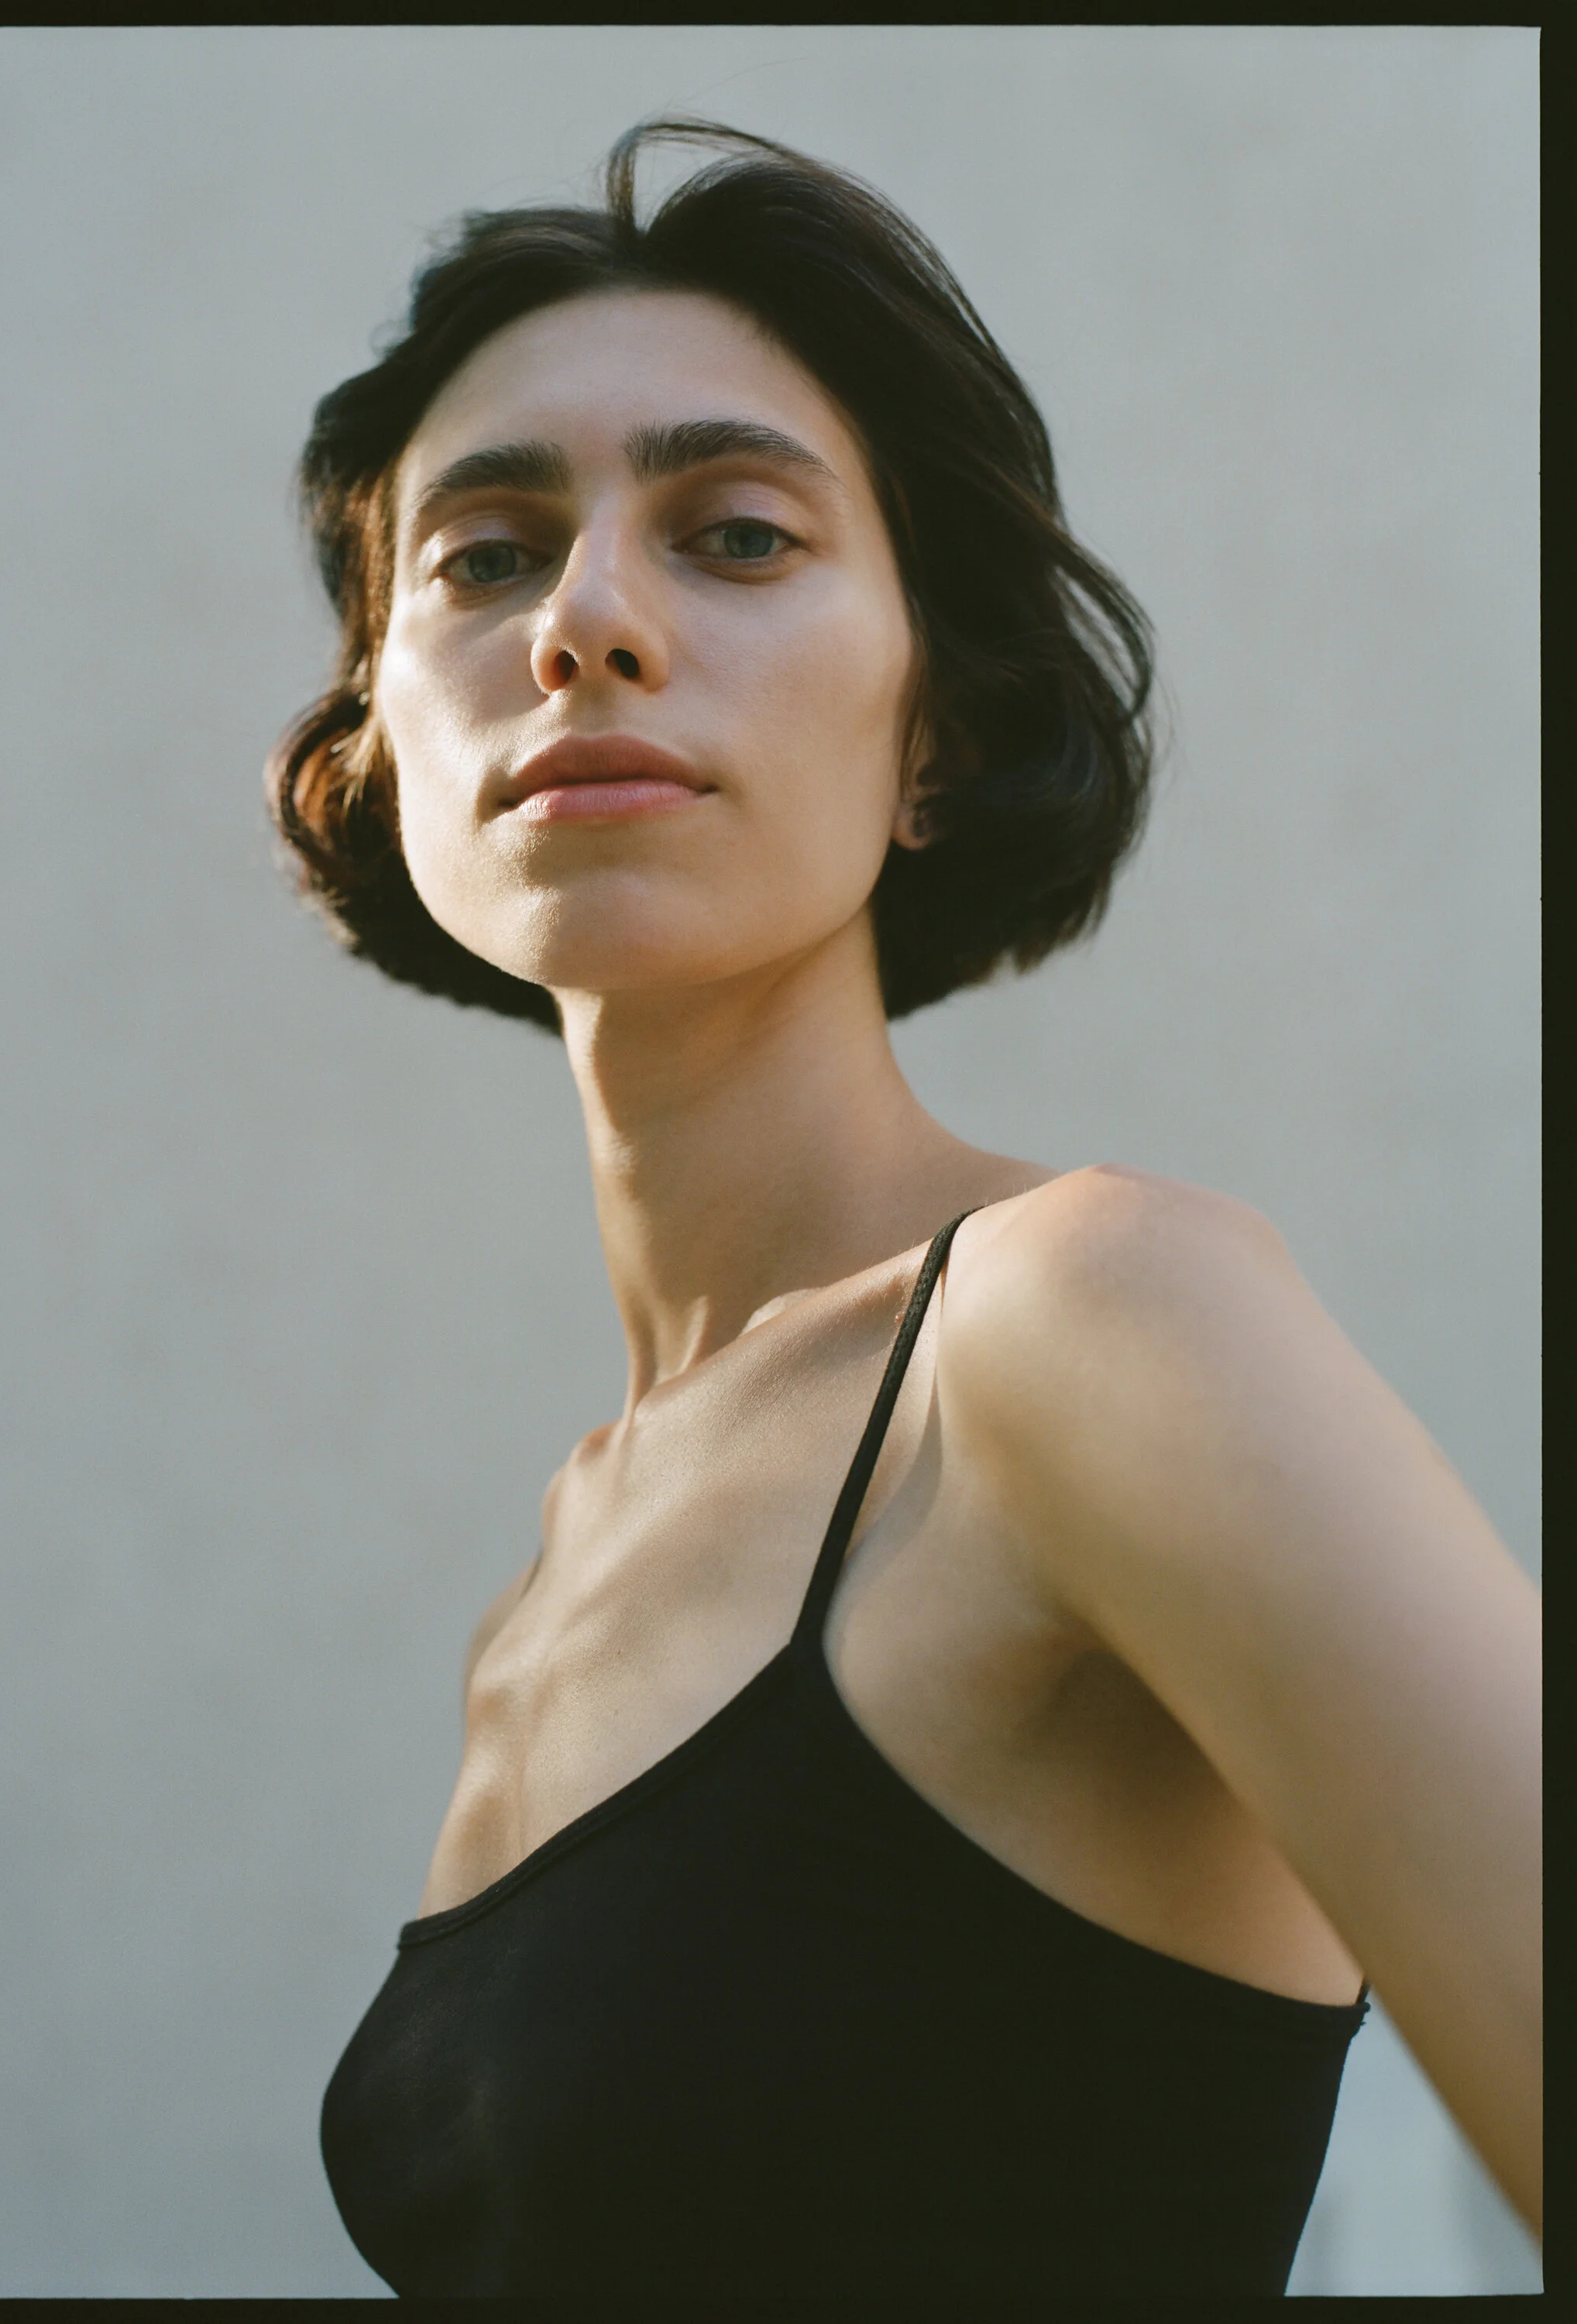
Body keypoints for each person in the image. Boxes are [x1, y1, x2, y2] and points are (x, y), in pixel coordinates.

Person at [267, 121, 1541, 2298]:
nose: (586, 623)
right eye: (483, 557)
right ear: (380, 745)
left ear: (934, 725)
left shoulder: (1086, 1323)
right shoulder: (566, 1554)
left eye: (737, 536)